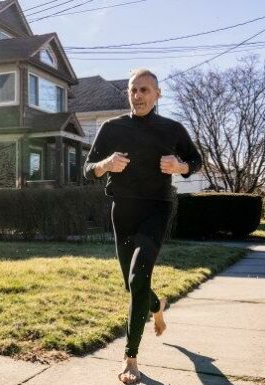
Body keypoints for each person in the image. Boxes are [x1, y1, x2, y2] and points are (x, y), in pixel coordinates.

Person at [83, 69, 202, 384]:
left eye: (145, 90)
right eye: (133, 90)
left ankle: (130, 357)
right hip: (122, 211)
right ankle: (156, 304)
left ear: (158, 94)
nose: (138, 96)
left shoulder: (172, 129)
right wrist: (105, 165)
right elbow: (87, 169)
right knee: (132, 284)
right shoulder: (111, 128)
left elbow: (196, 161)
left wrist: (181, 166)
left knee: (138, 277)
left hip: (156, 210)